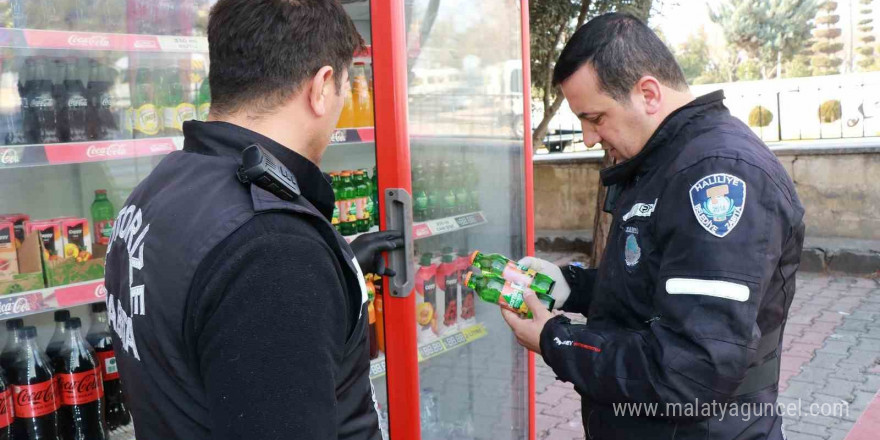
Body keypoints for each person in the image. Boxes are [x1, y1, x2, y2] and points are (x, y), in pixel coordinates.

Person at [102, 1, 399, 439]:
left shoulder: (162, 186)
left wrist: (338, 269)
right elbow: (258, 283)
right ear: (322, 87)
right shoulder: (275, 252)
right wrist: (301, 270)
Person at [502, 13, 805, 440]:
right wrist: (573, 287)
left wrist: (558, 340)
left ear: (648, 93)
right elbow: (657, 283)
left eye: (596, 118)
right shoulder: (665, 159)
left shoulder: (717, 175)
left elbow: (690, 369)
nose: (589, 137)